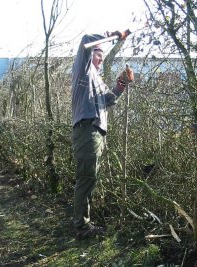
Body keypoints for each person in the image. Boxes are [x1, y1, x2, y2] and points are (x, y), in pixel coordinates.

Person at [71, 31, 134, 240]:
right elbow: (87, 40)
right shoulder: (83, 70)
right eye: (99, 54)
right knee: (86, 179)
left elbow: (108, 99)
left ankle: (83, 223)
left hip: (96, 132)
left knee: (90, 178)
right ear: (91, 54)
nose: (102, 58)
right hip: (87, 129)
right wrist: (114, 34)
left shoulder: (97, 79)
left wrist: (120, 85)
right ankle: (82, 227)